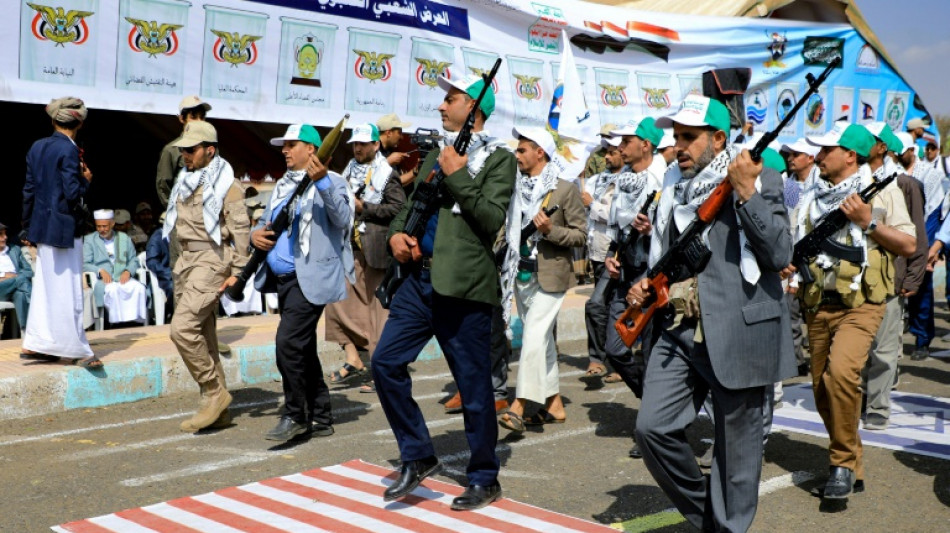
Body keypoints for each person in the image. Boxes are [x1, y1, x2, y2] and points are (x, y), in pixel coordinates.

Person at [627, 94, 796, 530]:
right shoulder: (672, 187)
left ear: (719, 139)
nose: (678, 145)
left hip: (739, 330)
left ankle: (726, 525)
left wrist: (745, 191)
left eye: (689, 136)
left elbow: (779, 251)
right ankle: (708, 516)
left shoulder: (763, 178)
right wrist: (645, 285)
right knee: (652, 429)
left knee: (736, 457)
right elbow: (665, 256)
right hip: (680, 330)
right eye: (676, 136)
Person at [371, 73, 515, 510]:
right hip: (418, 282)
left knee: (473, 387)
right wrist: (397, 235)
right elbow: (413, 206)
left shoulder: (500, 159)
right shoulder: (438, 152)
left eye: (450, 100)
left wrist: (458, 177)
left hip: (464, 287)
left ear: (474, 108)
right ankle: (417, 455)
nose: (440, 107)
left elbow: (491, 219)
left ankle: (484, 476)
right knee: (384, 363)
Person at [789, 122, 915, 500]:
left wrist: (868, 221)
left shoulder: (884, 191)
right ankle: (851, 457)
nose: (819, 156)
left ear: (850, 155)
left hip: (862, 305)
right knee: (821, 390)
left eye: (827, 150)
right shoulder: (812, 195)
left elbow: (908, 244)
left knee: (842, 374)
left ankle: (841, 464)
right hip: (816, 303)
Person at [250, 123, 353, 441]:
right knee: (303, 348)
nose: (284, 149)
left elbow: (344, 219)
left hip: (308, 278)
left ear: (311, 149)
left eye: (291, 144)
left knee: (288, 345)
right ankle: (320, 416)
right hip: (282, 280)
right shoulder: (283, 185)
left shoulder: (332, 181)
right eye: (283, 144)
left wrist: (321, 181)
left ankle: (295, 414)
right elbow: (265, 221)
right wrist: (254, 235)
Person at [162, 120, 250, 433]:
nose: (185, 154)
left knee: (182, 329)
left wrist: (239, 272)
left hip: (212, 260)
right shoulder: (186, 180)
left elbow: (240, 231)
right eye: (183, 149)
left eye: (192, 149)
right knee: (205, 335)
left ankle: (214, 391)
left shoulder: (228, 184)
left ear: (209, 150)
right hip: (186, 261)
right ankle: (218, 410)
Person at [497, 126, 586, 433]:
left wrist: (550, 231)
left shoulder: (563, 189)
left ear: (540, 152)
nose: (517, 155)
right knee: (544, 342)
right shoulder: (514, 187)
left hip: (551, 276)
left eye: (522, 150)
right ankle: (554, 405)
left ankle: (519, 404)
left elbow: (581, 235)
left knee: (533, 337)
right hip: (520, 275)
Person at [601, 117, 668, 458]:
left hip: (651, 278)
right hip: (625, 274)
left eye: (626, 140)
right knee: (614, 348)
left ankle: (657, 420)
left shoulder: (662, 178)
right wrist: (611, 257)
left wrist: (650, 228)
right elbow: (616, 226)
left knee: (653, 353)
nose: (620, 146)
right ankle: (658, 410)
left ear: (646, 144)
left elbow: (671, 228)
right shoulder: (623, 179)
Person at [20, 97, 99, 367]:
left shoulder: (37, 147)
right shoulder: (68, 150)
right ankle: (76, 349)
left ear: (54, 120)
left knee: (45, 288)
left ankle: (37, 343)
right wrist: (85, 182)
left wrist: (27, 226)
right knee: (68, 290)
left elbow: (29, 190)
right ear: (79, 122)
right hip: (64, 228)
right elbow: (71, 193)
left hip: (42, 227)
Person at [861, 122, 927, 432]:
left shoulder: (904, 184)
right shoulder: (853, 179)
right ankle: (864, 397)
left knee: (884, 350)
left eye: (869, 139)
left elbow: (916, 234)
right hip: (857, 279)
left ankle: (878, 407)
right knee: (859, 347)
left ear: (883, 148)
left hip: (891, 278)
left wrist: (912, 277)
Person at [895, 131, 944, 360]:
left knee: (921, 289)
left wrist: (927, 249)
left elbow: (934, 212)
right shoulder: (891, 172)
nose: (897, 155)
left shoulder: (930, 175)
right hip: (896, 238)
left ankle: (922, 339)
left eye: (901, 151)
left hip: (921, 235)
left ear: (912, 151)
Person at [581, 134, 623, 380]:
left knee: (597, 304)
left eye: (612, 151)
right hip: (596, 253)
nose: (606, 156)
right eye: (605, 151)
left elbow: (619, 216)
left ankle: (608, 358)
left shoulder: (630, 181)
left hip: (615, 252)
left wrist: (592, 205)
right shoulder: (598, 180)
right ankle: (602, 359)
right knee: (603, 306)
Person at [780, 138, 821, 376]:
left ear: (811, 158)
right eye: (789, 153)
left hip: (817, 261)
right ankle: (796, 361)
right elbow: (788, 223)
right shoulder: (790, 185)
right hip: (793, 260)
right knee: (791, 314)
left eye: (796, 154)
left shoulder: (821, 183)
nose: (791, 158)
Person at [83, 209, 148, 325]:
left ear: (112, 224)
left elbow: (134, 260)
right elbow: (84, 263)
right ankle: (116, 324)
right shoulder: (90, 240)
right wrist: (100, 271)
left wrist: (128, 271)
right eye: (98, 226)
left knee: (139, 288)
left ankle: (136, 323)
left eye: (104, 226)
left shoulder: (124, 238)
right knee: (112, 290)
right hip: (104, 280)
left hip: (123, 276)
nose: (101, 230)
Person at [157, 96, 212, 208]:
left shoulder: (210, 148)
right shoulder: (172, 150)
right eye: (193, 117)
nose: (199, 122)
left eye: (202, 117)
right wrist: (176, 212)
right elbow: (163, 186)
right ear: (182, 119)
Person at [0, 222, 33, 332]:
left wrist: (16, 277)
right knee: (21, 281)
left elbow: (29, 271)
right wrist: (3, 276)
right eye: (1, 235)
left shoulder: (15, 250)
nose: (5, 237)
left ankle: (27, 331)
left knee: (21, 295)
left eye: (5, 234)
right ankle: (38, 306)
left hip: (17, 286)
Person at [376, 113, 416, 187]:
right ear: (388, 133)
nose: (402, 137)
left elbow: (396, 181)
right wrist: (388, 162)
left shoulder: (389, 150)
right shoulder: (371, 150)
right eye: (399, 133)